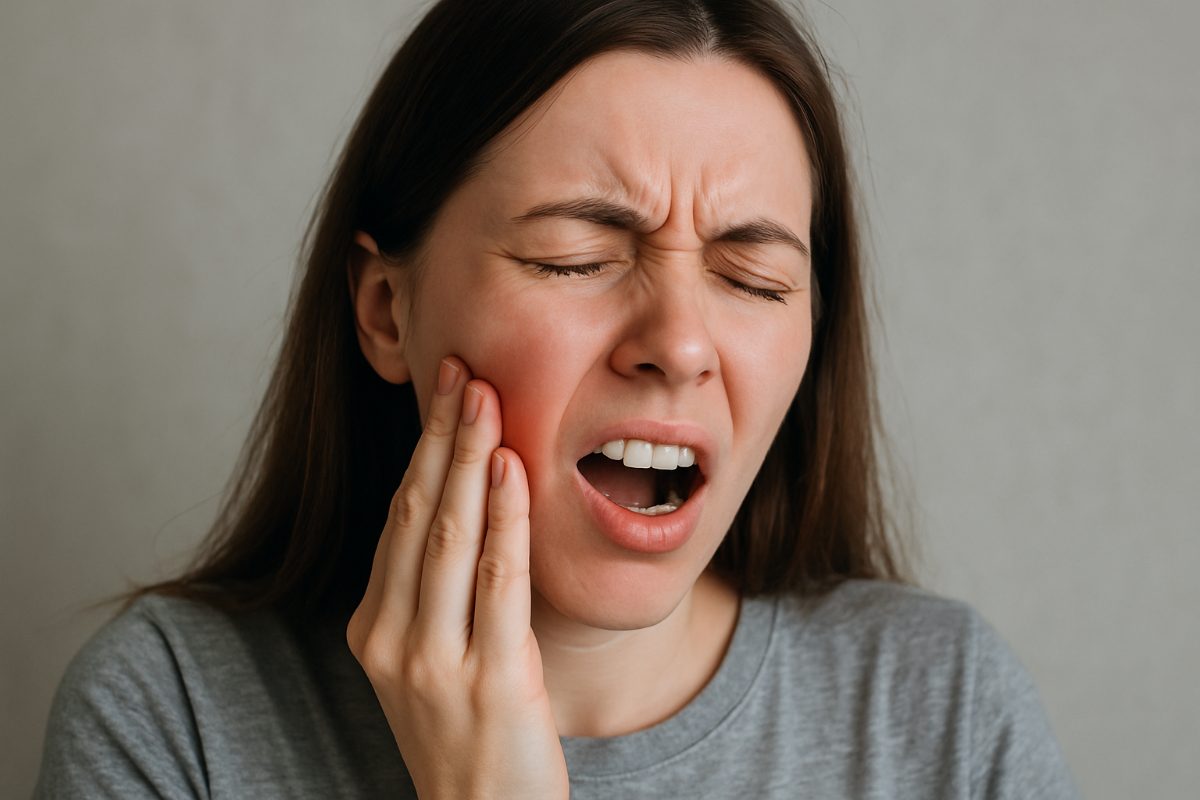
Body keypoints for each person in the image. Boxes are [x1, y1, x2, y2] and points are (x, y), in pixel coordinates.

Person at [33, 0, 1080, 797]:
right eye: (575, 257)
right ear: (388, 310)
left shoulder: (943, 711)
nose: (680, 344)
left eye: (753, 280)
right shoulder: (171, 715)